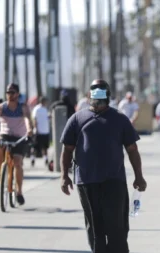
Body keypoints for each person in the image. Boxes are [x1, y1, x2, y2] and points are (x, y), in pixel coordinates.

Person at [60, 79, 147, 253]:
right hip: (86, 181)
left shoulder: (120, 119)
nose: (98, 100)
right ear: (89, 96)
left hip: (114, 181)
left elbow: (132, 149)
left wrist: (139, 175)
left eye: (101, 94)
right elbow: (67, 149)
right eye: (95, 94)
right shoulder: (77, 119)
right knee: (94, 227)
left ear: (107, 96)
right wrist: (64, 176)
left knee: (117, 227)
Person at [0, 84, 33, 205]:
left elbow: (27, 119)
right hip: (5, 134)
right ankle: (1, 172)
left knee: (17, 163)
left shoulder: (23, 107)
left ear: (17, 94)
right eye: (8, 92)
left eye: (12, 92)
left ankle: (19, 192)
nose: (10, 95)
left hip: (19, 137)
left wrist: (29, 130)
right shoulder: (1, 107)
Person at [31, 96, 50, 166]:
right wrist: (36, 128)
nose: (46, 103)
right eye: (46, 101)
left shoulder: (45, 109)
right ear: (43, 101)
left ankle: (46, 159)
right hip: (38, 131)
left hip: (45, 131)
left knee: (45, 147)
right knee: (35, 147)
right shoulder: (36, 109)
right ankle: (32, 159)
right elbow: (34, 119)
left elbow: (47, 118)